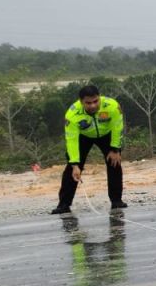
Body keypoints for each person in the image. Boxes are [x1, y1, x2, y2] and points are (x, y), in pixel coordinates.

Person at [51, 85, 127, 214]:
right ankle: (63, 204)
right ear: (81, 102)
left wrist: (115, 148)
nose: (92, 106)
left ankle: (116, 200)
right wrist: (74, 163)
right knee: (72, 169)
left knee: (114, 162)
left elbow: (117, 126)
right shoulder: (72, 114)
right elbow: (71, 140)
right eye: (88, 103)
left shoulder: (112, 106)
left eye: (95, 101)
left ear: (99, 98)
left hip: (106, 133)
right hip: (83, 136)